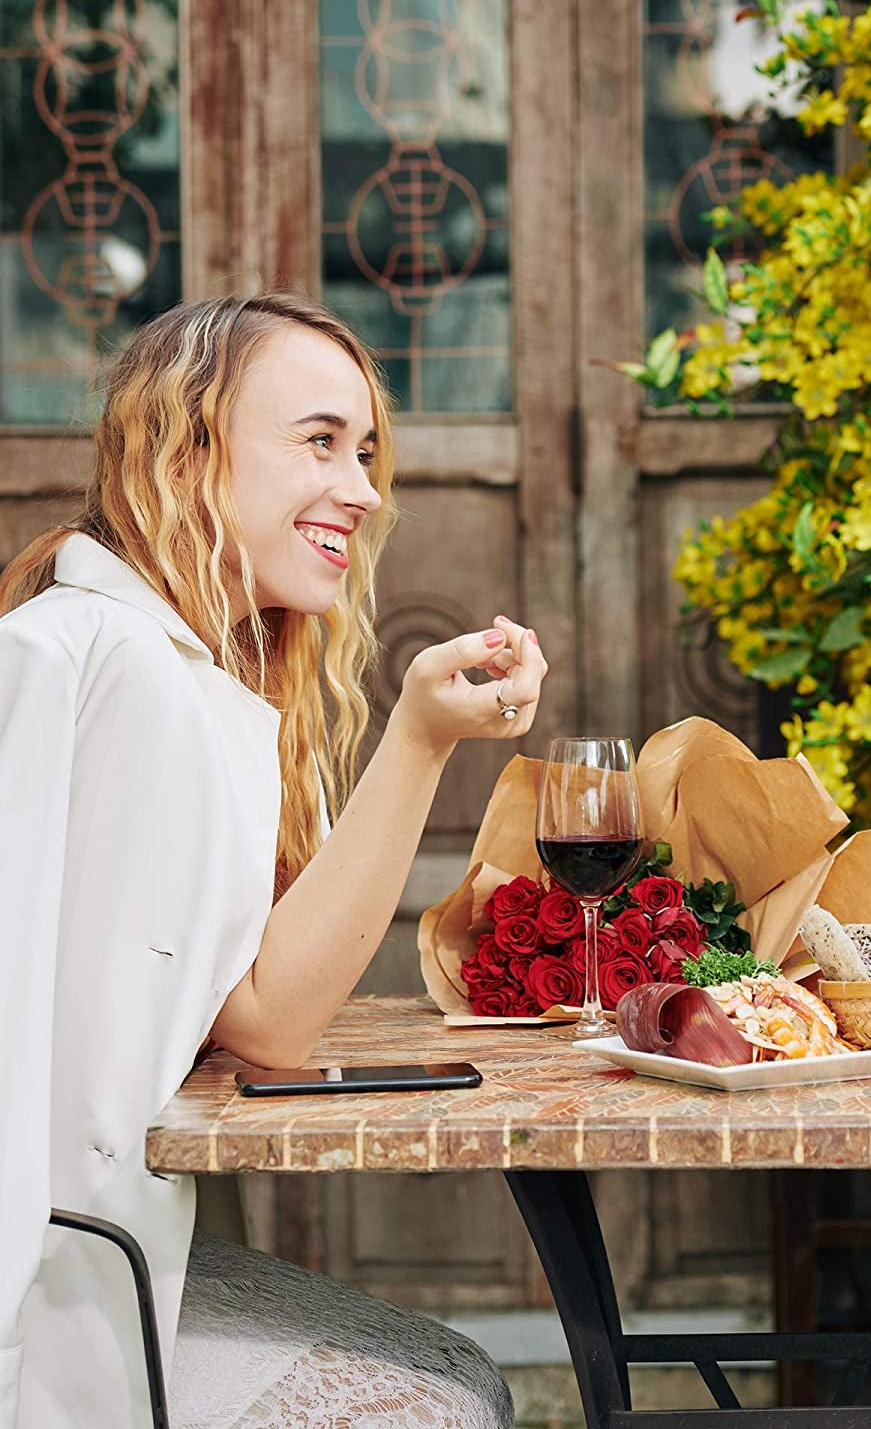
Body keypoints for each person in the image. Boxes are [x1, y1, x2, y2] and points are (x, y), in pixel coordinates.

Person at [0, 294, 546, 1428]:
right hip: (45, 1293)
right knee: (444, 1399)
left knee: (458, 1379)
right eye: (318, 442)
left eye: (365, 452)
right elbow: (272, 1023)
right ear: (190, 450)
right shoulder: (124, 673)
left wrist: (420, 732)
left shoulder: (130, 653)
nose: (361, 488)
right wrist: (421, 737)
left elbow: (212, 1009)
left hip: (89, 1249)